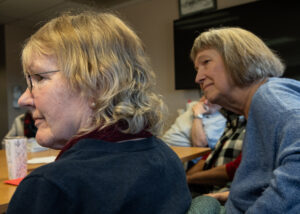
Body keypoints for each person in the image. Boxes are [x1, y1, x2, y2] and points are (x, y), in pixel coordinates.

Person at [7, 11, 191, 214]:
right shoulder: (167, 158)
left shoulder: (52, 187)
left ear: (98, 83)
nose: (23, 99)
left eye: (39, 78)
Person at [190, 26, 300, 213]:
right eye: (197, 68)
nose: (198, 77)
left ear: (239, 58)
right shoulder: (257, 106)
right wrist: (230, 195)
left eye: (206, 62)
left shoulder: (268, 95)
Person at [186, 110, 246, 196]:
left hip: (223, 194)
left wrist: (189, 178)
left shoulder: (252, 124)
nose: (205, 101)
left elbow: (233, 170)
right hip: (208, 187)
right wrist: (186, 178)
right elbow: (212, 154)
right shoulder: (233, 121)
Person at [162, 96, 226, 149]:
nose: (205, 102)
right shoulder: (195, 105)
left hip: (179, 153)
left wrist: (198, 115)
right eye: (205, 97)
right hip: (164, 143)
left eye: (211, 100)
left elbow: (199, 144)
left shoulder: (220, 119)